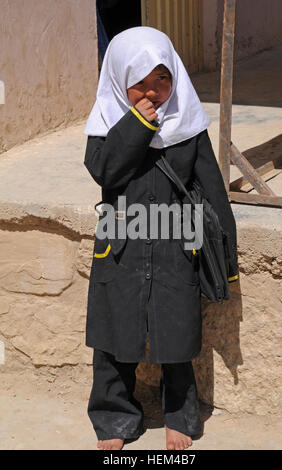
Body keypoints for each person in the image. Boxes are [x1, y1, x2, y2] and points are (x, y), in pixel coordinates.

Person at [83, 26, 239, 451]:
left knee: (177, 331)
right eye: (140, 84)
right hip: (121, 239)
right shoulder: (107, 120)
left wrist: (228, 261)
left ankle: (181, 415)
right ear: (119, 81)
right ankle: (114, 417)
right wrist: (135, 124)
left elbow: (211, 188)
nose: (152, 93)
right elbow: (106, 172)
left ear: (176, 79)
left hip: (176, 241)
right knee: (113, 331)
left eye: (162, 81)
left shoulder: (187, 122)